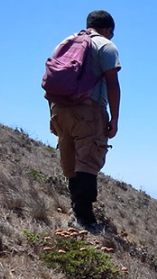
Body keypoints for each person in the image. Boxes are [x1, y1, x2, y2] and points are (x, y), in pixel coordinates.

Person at [48, 10, 122, 230]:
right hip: (89, 111)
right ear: (108, 29)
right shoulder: (105, 46)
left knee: (71, 164)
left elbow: (51, 82)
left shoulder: (65, 43)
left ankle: (76, 212)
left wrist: (53, 116)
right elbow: (112, 83)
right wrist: (114, 119)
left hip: (60, 110)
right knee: (88, 163)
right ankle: (86, 220)